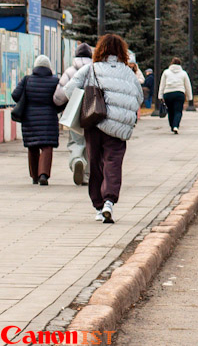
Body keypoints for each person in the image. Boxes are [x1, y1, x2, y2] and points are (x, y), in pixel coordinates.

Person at [63, 34, 143, 224]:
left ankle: (98, 206)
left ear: (100, 50)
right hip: (118, 128)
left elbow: (68, 90)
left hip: (95, 123)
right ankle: (109, 201)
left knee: (95, 163)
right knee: (113, 164)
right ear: (122, 52)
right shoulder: (128, 73)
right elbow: (138, 97)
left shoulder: (90, 69)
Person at [14, 55, 63, 184]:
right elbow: (61, 99)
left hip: (30, 119)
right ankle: (43, 175)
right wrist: (55, 110)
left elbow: (15, 95)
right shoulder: (54, 81)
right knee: (47, 147)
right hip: (49, 119)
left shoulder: (27, 80)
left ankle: (34, 176)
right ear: (49, 67)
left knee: (32, 147)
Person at [53, 43, 93, 185]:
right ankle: (87, 175)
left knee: (76, 140)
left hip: (74, 112)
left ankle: (77, 160)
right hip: (93, 111)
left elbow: (59, 97)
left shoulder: (70, 71)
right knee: (90, 141)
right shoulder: (95, 70)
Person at [159, 57, 194, 133]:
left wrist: (160, 96)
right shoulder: (183, 73)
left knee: (170, 111)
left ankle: (172, 126)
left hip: (168, 93)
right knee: (178, 111)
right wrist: (189, 97)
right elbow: (187, 85)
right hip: (179, 93)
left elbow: (162, 84)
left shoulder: (166, 72)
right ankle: (176, 126)